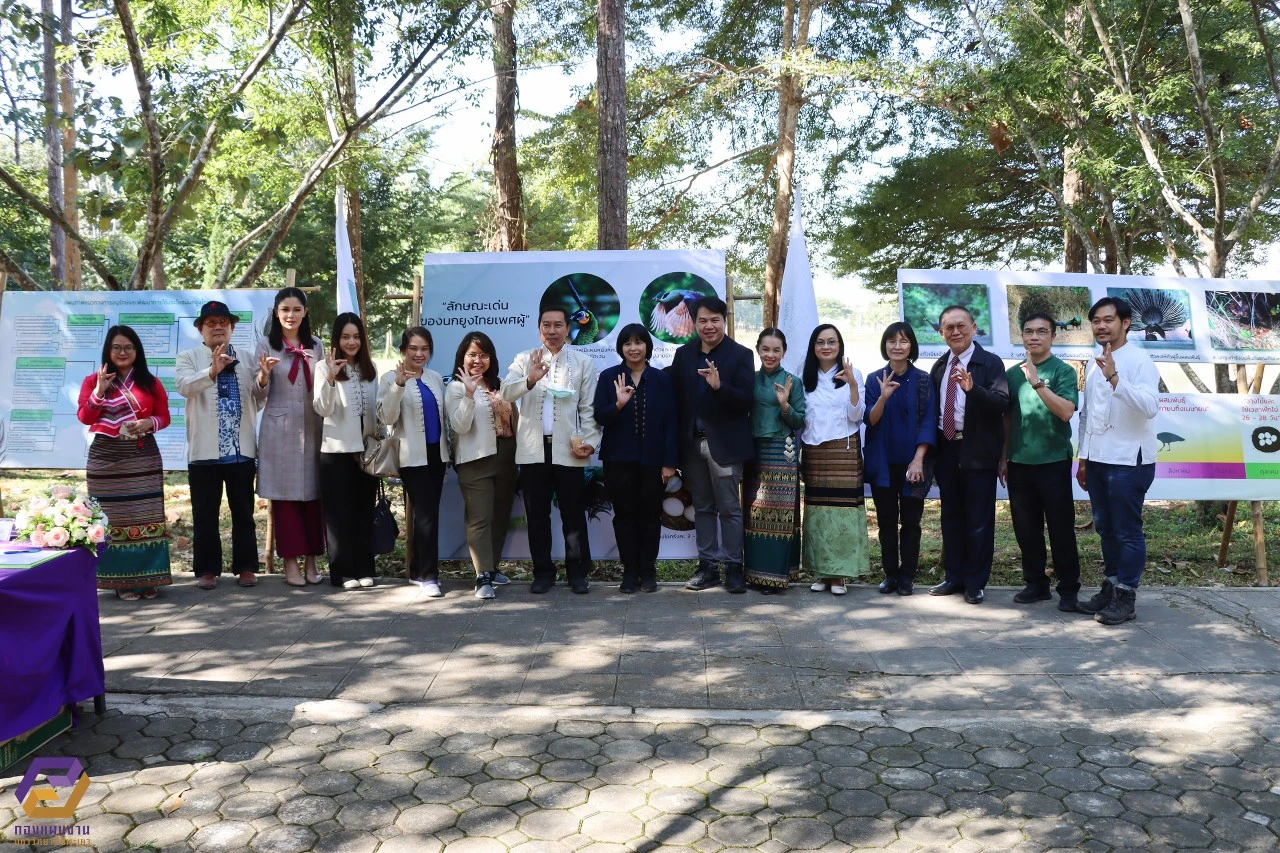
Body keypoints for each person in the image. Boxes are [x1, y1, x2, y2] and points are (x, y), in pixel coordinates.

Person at [501, 307, 600, 594]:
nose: (552, 331)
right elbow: (506, 393)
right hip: (532, 450)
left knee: (573, 514)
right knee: (537, 515)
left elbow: (589, 410)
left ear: (568, 329)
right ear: (539, 328)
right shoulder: (524, 359)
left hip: (569, 450)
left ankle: (577, 573)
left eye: (558, 325)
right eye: (547, 325)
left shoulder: (582, 362)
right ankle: (543, 572)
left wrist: (591, 442)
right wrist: (529, 379)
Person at [1076, 296, 1160, 625]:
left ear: (1125, 323)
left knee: (1127, 531)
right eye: (1096, 321)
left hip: (1130, 460)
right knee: (1106, 528)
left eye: (1108, 320)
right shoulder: (1095, 362)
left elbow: (1150, 406)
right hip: (1098, 460)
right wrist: (1083, 458)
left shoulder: (1140, 360)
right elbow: (1088, 416)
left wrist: (1115, 378)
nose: (1101, 326)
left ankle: (1126, 595)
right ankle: (1110, 586)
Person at [176, 300, 267, 589]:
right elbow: (185, 387)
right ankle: (207, 570)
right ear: (200, 329)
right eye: (211, 323)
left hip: (240, 451)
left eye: (223, 322)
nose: (217, 327)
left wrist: (263, 378)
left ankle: (246, 568)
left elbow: (258, 397)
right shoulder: (188, 357)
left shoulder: (248, 357)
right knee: (205, 515)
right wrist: (212, 371)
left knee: (244, 514)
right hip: (204, 452)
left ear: (232, 328)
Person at [77, 325, 172, 600]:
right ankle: (121, 581)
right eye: (116, 347)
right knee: (113, 519)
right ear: (108, 350)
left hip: (141, 455)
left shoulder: (149, 382)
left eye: (128, 347)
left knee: (146, 516)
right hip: (106, 459)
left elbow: (164, 416)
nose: (122, 352)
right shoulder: (92, 380)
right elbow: (85, 417)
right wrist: (99, 392)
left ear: (136, 351)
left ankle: (147, 578)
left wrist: (148, 423)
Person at [668, 296, 755, 593]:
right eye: (703, 320)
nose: (709, 326)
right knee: (703, 507)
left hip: (725, 446)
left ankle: (733, 567)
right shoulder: (683, 355)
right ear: (695, 322)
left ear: (724, 320)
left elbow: (745, 400)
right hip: (692, 445)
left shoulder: (740, 355)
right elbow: (677, 402)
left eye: (714, 320)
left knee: (730, 508)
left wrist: (720, 387)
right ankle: (707, 567)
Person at [1000, 311, 1082, 611]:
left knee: (1061, 529)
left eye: (1041, 331)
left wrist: (1037, 383)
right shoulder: (1011, 374)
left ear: (1053, 336)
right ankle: (1036, 584)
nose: (1034, 336)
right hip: (1019, 463)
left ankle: (1069, 588)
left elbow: (1065, 412)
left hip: (1053, 462)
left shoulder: (1063, 371)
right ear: (1021, 336)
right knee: (1026, 529)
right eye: (1029, 331)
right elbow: (1008, 418)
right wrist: (1004, 457)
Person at [928, 306, 1009, 605]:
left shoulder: (989, 363)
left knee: (978, 519)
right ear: (941, 333)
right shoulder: (939, 367)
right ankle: (954, 576)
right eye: (949, 328)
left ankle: (975, 582)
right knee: (951, 515)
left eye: (961, 326)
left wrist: (973, 390)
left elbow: (1001, 403)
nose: (955, 332)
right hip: (948, 449)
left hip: (978, 451)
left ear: (974, 328)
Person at [592, 324, 678, 593]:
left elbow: (671, 424)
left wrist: (669, 462)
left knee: (650, 517)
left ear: (647, 347)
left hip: (653, 462)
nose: (633, 348)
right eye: (627, 343)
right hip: (618, 460)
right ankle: (629, 571)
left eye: (639, 342)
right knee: (624, 517)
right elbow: (599, 417)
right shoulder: (609, 377)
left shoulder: (662, 380)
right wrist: (618, 404)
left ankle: (648, 571)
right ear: (620, 347)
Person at [255, 286, 325, 587]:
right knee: (284, 501)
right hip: (279, 430)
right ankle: (290, 563)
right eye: (285, 310)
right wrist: (264, 376)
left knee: (314, 497)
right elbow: (257, 395)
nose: (291, 315)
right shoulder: (264, 346)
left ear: (305, 313)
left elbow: (323, 388)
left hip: (313, 427)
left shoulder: (317, 345)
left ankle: (312, 561)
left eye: (297, 309)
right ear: (276, 312)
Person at [863, 322, 936, 596]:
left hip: (913, 464)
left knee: (912, 522)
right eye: (892, 340)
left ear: (911, 346)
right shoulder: (874, 379)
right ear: (885, 345)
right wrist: (882, 397)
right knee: (886, 522)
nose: (897, 345)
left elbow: (929, 421)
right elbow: (870, 419)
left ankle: (907, 576)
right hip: (882, 464)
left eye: (903, 341)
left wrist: (918, 459)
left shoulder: (923, 379)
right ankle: (890, 574)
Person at [446, 331, 517, 600]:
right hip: (475, 459)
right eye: (472, 354)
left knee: (500, 515)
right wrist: (468, 393)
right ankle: (481, 575)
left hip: (507, 455)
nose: (478, 360)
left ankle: (493, 566)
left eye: (483, 354)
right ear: (462, 358)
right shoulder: (454, 387)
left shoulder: (500, 385)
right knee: (479, 518)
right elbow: (459, 426)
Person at [379, 326, 450, 596]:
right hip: (411, 455)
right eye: (413, 349)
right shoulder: (389, 378)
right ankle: (429, 576)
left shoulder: (434, 377)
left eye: (424, 349)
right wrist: (398, 386)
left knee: (429, 515)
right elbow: (386, 418)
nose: (419, 354)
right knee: (427, 513)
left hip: (437, 455)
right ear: (403, 350)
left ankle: (419, 571)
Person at [800, 324, 868, 594]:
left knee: (843, 511)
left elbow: (856, 415)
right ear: (813, 347)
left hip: (844, 448)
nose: (826, 347)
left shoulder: (854, 374)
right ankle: (821, 572)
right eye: (820, 342)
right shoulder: (804, 375)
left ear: (840, 346)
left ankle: (840, 574)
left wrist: (851, 383)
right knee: (817, 511)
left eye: (831, 342)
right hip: (814, 449)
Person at [313, 313, 379, 591]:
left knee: (364, 512)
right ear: (337, 340)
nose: (351, 342)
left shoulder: (370, 368)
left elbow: (376, 411)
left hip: (366, 453)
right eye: (345, 337)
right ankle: (341, 572)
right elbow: (322, 409)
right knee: (338, 515)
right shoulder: (322, 368)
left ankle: (364, 567)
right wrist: (330, 377)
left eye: (356, 336)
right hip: (336, 451)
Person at [743, 328, 805, 594]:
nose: (770, 354)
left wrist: (784, 405)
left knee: (780, 516)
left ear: (784, 352)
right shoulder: (749, 379)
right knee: (754, 513)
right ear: (758, 349)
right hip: (752, 451)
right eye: (765, 349)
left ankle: (776, 576)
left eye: (776, 350)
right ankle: (754, 574)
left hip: (782, 451)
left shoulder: (793, 381)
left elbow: (800, 420)